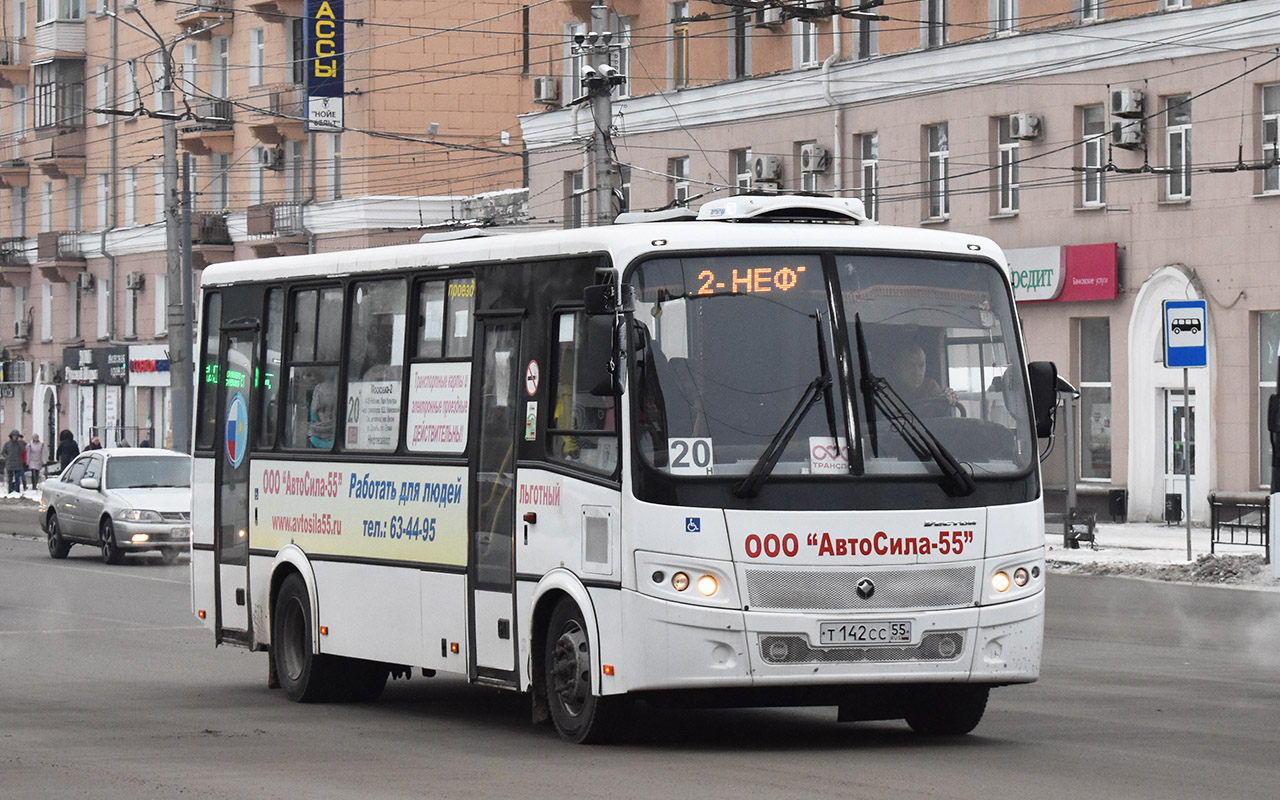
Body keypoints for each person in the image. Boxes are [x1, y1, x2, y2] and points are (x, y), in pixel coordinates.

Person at [888, 342, 958, 415]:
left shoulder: (929, 386)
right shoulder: (887, 390)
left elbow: (940, 410)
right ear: (897, 368)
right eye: (911, 366)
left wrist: (947, 399)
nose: (917, 372)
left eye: (921, 366)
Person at [308, 380, 336, 449]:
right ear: (315, 414)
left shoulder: (345, 441)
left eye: (332, 409)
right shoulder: (308, 444)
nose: (329, 414)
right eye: (323, 410)